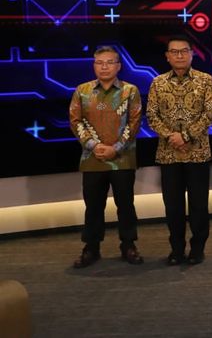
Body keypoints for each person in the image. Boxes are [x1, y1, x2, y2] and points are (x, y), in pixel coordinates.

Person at [69, 46, 144, 268]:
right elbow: (75, 121)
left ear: (118, 66)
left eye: (109, 62)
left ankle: (128, 245)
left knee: (126, 205)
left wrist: (116, 148)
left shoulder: (130, 91)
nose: (104, 66)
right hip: (92, 160)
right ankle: (91, 248)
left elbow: (135, 122)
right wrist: (94, 145)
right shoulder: (82, 91)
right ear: (94, 66)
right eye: (100, 62)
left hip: (122, 159)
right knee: (93, 206)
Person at [147, 36, 212, 266]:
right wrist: (171, 137)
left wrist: (186, 136)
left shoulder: (205, 80)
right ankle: (176, 249)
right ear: (167, 56)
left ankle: (198, 248)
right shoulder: (157, 83)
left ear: (191, 54)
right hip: (168, 154)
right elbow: (151, 116)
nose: (179, 55)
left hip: (198, 153)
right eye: (174, 52)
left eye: (183, 51)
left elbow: (210, 113)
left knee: (198, 205)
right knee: (173, 206)